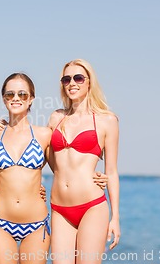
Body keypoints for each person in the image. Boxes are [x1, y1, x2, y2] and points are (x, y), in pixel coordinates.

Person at [47, 59, 120, 264]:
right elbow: (50, 160)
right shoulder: (56, 118)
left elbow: (112, 171)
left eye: (78, 78)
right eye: (66, 79)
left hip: (92, 207)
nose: (72, 83)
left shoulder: (107, 120)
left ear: (89, 82)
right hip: (59, 208)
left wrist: (115, 217)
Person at [0, 73, 53, 264]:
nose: (16, 98)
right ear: (4, 99)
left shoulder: (44, 134)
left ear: (31, 99)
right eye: (10, 94)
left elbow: (64, 170)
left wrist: (94, 175)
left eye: (22, 94)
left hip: (37, 224)